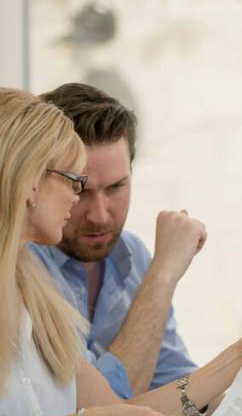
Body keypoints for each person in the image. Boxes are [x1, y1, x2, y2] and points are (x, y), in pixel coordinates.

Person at [0, 87, 242, 416]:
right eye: (75, 183)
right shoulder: (39, 268)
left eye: (115, 187)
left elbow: (117, 413)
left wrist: (241, 357)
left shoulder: (33, 290)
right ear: (28, 181)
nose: (92, 211)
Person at [29, 83, 203, 398]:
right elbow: (103, 408)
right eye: (80, 190)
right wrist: (163, 275)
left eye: (115, 188)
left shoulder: (132, 253)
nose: (99, 216)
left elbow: (177, 385)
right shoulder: (22, 266)